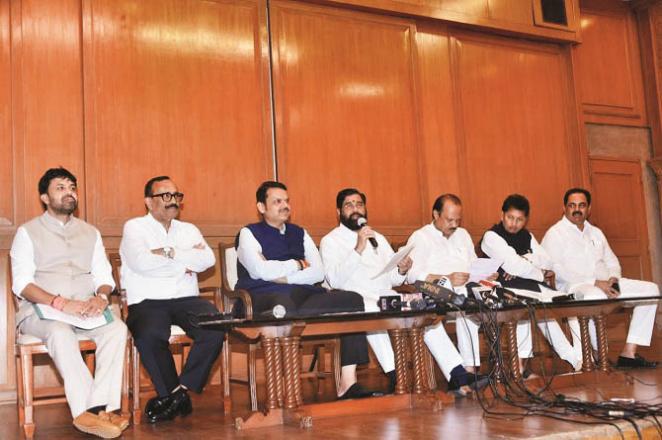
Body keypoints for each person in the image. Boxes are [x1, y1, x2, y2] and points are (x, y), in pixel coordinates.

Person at [320, 188, 487, 395]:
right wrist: (359, 248)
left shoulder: (378, 238)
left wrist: (401, 269)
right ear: (338, 212)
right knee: (374, 311)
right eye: (349, 205)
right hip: (356, 297)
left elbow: (391, 278)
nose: (356, 209)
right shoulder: (331, 241)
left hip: (385, 293)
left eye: (359, 204)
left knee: (424, 310)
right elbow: (334, 280)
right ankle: (396, 376)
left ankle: (456, 372)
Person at [10, 167, 128, 438]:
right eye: (60, 188)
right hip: (42, 312)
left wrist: (100, 298)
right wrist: (59, 303)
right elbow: (22, 285)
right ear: (44, 197)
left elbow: (104, 276)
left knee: (117, 329)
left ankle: (99, 410)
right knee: (59, 332)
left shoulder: (90, 232)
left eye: (72, 187)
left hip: (86, 310)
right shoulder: (27, 232)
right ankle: (91, 412)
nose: (69, 193)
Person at [236, 181, 377, 399]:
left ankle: (347, 384)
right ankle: (284, 391)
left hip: (302, 296)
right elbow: (259, 271)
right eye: (277, 201)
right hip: (260, 298)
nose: (285, 206)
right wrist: (298, 264)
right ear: (261, 207)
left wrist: (282, 275)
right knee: (284, 306)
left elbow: (318, 272)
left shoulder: (300, 233)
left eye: (287, 201)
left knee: (352, 300)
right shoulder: (248, 233)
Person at [120, 176, 224, 423]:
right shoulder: (134, 227)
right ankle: (175, 395)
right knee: (149, 334)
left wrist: (169, 252)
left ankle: (180, 393)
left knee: (216, 325)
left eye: (176, 196)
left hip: (186, 298)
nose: (173, 201)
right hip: (147, 300)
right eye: (165, 196)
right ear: (148, 201)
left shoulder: (188, 230)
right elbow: (141, 263)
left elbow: (207, 260)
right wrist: (185, 263)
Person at [542, 188, 659, 368]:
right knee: (593, 296)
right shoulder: (555, 234)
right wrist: (595, 283)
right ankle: (598, 355)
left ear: (589, 208)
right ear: (564, 208)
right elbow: (557, 270)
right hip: (575, 287)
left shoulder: (596, 232)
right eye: (572, 205)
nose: (577, 209)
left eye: (581, 205)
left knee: (651, 290)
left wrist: (614, 280)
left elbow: (612, 260)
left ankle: (628, 353)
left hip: (607, 284)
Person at [479, 194, 581, 373]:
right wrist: (538, 273)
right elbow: (513, 265)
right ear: (502, 215)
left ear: (525, 220)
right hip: (505, 290)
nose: (513, 224)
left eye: (519, 219)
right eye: (510, 218)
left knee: (569, 303)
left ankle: (579, 357)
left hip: (533, 286)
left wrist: (524, 259)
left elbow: (547, 261)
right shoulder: (491, 236)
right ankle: (523, 367)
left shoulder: (527, 235)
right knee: (529, 308)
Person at [406, 194, 492, 372]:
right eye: (449, 220)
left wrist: (485, 274)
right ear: (435, 214)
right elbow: (412, 275)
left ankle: (470, 369)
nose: (454, 225)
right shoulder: (421, 237)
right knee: (465, 302)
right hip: (440, 295)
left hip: (467, 291)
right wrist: (446, 277)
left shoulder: (463, 235)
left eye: (457, 220)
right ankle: (465, 373)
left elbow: (473, 264)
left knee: (470, 303)